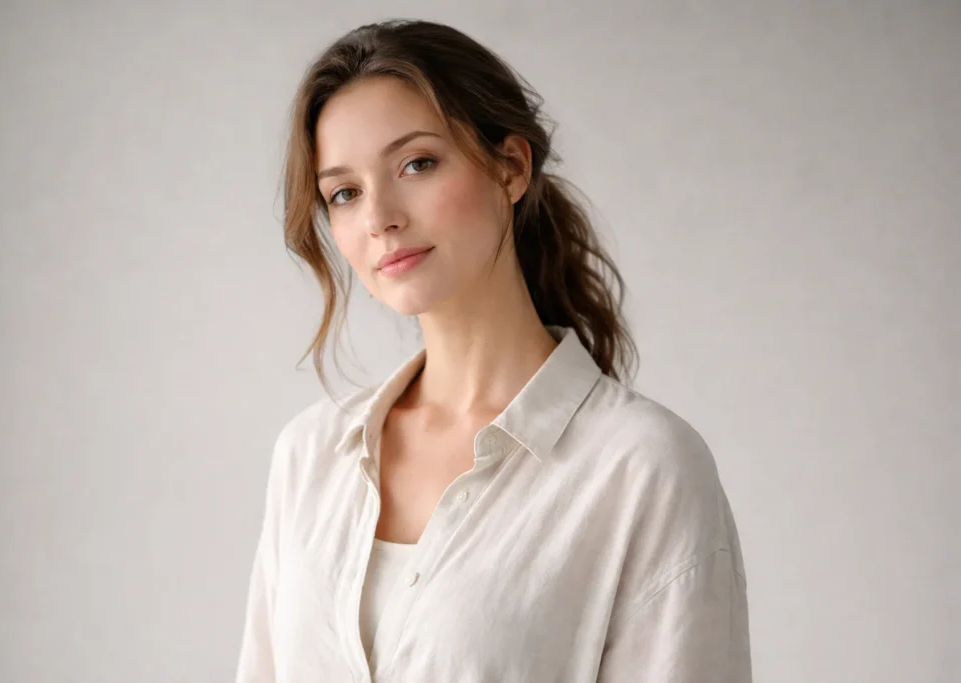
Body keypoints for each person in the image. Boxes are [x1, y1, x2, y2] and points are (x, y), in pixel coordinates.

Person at [235, 18, 750, 683]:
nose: (379, 216)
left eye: (416, 163)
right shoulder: (309, 457)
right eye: (345, 193)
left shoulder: (640, 468)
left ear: (510, 167)